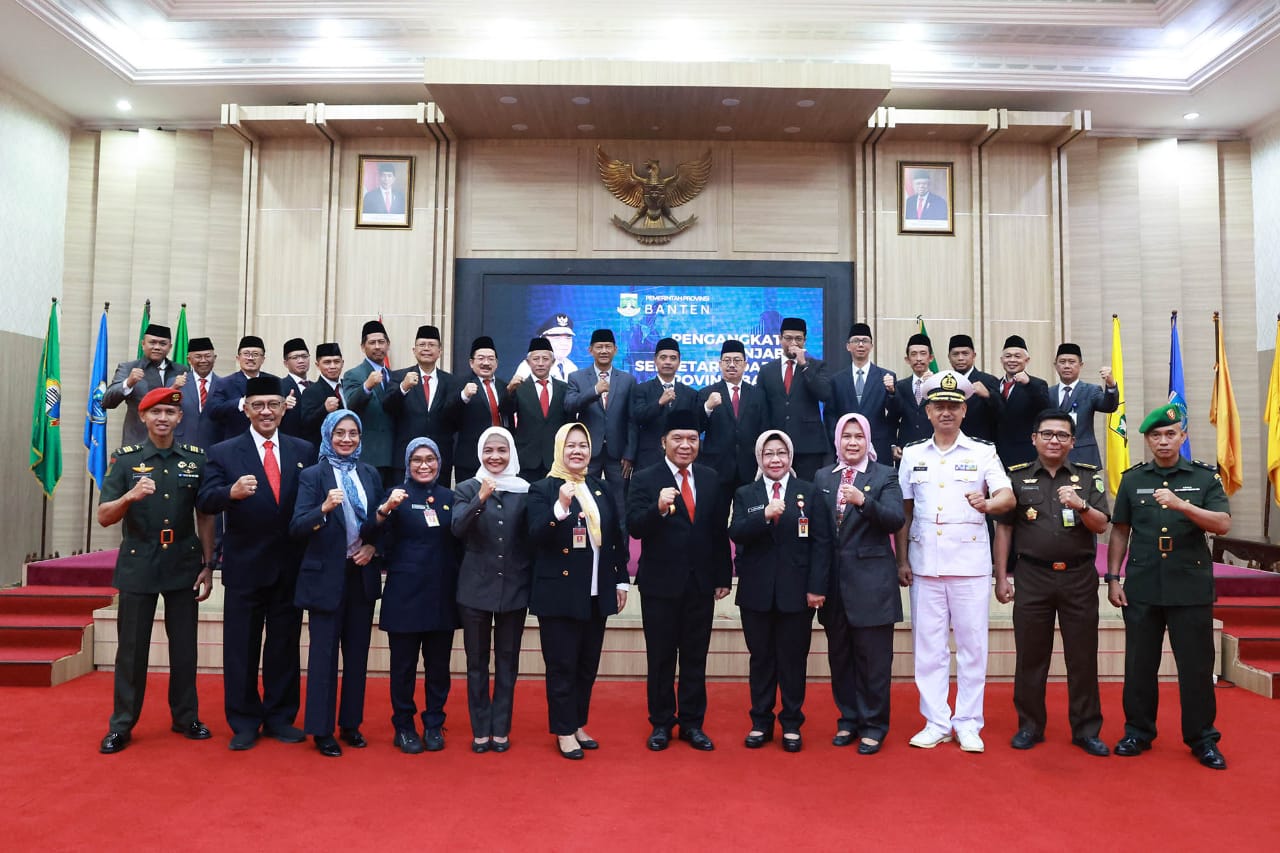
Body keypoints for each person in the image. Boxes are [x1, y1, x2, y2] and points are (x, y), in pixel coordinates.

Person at [1106, 405, 1231, 770]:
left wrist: (1182, 505)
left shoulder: (1205, 477)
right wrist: (1113, 578)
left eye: (1170, 434)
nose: (1163, 441)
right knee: (1139, 665)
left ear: (1183, 437)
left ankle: (1203, 738)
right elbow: (1120, 531)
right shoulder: (1133, 479)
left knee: (1195, 667)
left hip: (1189, 586)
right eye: (1155, 436)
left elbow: (1222, 523)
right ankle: (1138, 732)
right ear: (1146, 440)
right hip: (1142, 585)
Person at [897, 371, 1014, 754]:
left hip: (969, 565)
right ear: (928, 411)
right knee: (928, 648)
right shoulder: (913, 454)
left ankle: (967, 722)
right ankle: (935, 721)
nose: (946, 412)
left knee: (972, 647)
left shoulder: (982, 452)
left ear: (964, 411)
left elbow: (1007, 498)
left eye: (953, 406)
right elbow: (904, 511)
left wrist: (988, 504)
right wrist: (902, 559)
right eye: (938, 406)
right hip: (926, 565)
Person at [197, 376, 316, 750]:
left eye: (273, 405)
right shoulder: (224, 451)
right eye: (258, 405)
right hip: (245, 566)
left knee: (284, 646)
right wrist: (229, 493)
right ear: (246, 409)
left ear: (284, 408)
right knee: (241, 648)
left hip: (289, 566)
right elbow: (205, 499)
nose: (266, 411)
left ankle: (280, 717)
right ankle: (244, 720)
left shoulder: (304, 450)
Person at [97, 387, 215, 754]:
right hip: (139, 560)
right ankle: (122, 724)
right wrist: (129, 496)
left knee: (185, 648)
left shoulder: (196, 460)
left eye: (170, 412)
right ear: (143, 417)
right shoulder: (126, 460)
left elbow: (205, 515)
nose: (163, 418)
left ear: (180, 419)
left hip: (183, 559)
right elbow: (103, 516)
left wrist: (209, 565)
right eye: (156, 412)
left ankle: (185, 716)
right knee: (132, 649)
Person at [994, 410, 1110, 757]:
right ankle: (1030, 725)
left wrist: (1081, 504)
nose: (1054, 440)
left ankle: (1086, 730)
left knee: (1083, 656)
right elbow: (1005, 529)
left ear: (1073, 442)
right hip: (1032, 575)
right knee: (1031, 655)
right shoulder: (1016, 478)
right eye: (1047, 434)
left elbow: (1102, 525)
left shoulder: (1088, 478)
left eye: (1062, 435)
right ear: (1034, 439)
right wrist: (1001, 577)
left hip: (1078, 576)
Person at [627, 410, 731, 752]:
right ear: (663, 442)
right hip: (659, 584)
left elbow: (718, 531)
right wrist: (657, 508)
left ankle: (691, 723)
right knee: (660, 657)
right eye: (678, 439)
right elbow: (634, 527)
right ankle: (660, 724)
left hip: (700, 583)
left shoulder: (711, 477)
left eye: (692, 439)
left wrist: (722, 575)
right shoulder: (645, 478)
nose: (685, 445)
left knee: (694, 657)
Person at [526, 423, 629, 759]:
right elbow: (535, 536)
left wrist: (620, 579)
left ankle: (577, 722)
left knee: (587, 664)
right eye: (570, 445)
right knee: (562, 665)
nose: (577, 451)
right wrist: (560, 508)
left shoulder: (599, 487)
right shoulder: (543, 488)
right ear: (559, 449)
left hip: (597, 591)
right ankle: (563, 730)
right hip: (559, 592)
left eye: (583, 445)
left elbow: (614, 536)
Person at [729, 430, 832, 753]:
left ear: (790, 458)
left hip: (797, 593)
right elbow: (737, 533)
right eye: (769, 454)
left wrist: (817, 587)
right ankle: (760, 722)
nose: (776, 460)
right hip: (756, 593)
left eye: (781, 453)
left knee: (792, 660)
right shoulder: (747, 493)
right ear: (760, 458)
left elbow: (822, 543)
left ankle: (791, 723)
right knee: (761, 659)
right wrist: (764, 515)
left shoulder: (809, 493)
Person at [290, 410, 384, 758]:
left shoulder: (370, 473)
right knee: (323, 656)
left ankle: (351, 724)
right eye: (340, 433)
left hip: (361, 573)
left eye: (353, 433)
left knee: (357, 655)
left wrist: (374, 547)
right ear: (328, 435)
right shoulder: (314, 476)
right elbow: (297, 525)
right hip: (325, 576)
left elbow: (382, 521)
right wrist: (325, 508)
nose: (346, 439)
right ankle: (321, 729)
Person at [814, 413, 905, 755]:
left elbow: (895, 520)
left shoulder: (885, 475)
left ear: (868, 441)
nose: (852, 442)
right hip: (834, 589)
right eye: (846, 436)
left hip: (872, 586)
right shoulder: (824, 476)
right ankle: (848, 719)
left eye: (858, 436)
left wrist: (863, 501)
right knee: (841, 659)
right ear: (837, 440)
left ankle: (874, 725)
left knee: (874, 663)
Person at [370, 437, 462, 754]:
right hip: (404, 596)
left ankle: (434, 724)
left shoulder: (451, 497)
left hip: (442, 596)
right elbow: (372, 534)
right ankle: (405, 727)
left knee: (438, 668)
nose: (424, 465)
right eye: (417, 460)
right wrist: (385, 510)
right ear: (407, 464)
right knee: (403, 668)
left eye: (430, 459)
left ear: (439, 462)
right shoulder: (395, 497)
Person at [452, 427, 532, 753]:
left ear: (511, 452)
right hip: (475, 589)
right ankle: (480, 729)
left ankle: (501, 729)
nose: (495, 457)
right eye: (489, 451)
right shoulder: (466, 488)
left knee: (508, 662)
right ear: (480, 453)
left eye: (501, 450)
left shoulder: (526, 491)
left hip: (514, 587)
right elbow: (457, 528)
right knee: (476, 663)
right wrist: (480, 499)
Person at [565, 329, 636, 524]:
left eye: (608, 347)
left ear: (615, 350)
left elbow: (632, 419)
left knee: (620, 505)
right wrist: (595, 390)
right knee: (584, 500)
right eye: (599, 347)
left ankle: (622, 552)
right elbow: (569, 405)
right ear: (590, 350)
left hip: (618, 455)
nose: (603, 351)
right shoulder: (576, 377)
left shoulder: (627, 380)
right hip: (587, 452)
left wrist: (629, 454)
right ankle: (586, 550)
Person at [757, 317, 833, 480]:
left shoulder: (817, 366)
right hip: (776, 446)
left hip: (808, 445)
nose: (793, 343)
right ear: (780, 339)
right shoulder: (766, 371)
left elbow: (824, 394)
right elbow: (761, 410)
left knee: (807, 495)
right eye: (788, 338)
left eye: (798, 339)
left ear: (805, 341)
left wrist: (804, 365)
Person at [383, 325, 460, 483]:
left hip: (438, 460)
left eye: (431, 345)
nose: (426, 349)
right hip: (406, 459)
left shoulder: (451, 381)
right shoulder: (398, 377)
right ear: (414, 350)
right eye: (422, 345)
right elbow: (388, 408)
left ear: (440, 351)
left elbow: (455, 419)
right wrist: (403, 388)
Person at [698, 339, 767, 505]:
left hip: (750, 467)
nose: (732, 365)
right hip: (717, 468)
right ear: (720, 364)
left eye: (737, 360)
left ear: (745, 365)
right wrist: (707, 407)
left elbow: (765, 429)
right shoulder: (706, 393)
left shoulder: (758, 395)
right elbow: (697, 428)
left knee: (750, 518)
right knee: (717, 521)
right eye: (727, 360)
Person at [103, 323, 189, 446]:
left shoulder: (181, 371)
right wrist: (128, 382)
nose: (157, 347)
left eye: (162, 344)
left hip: (173, 444)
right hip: (138, 443)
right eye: (152, 342)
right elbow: (107, 401)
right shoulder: (128, 368)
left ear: (170, 347)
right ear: (143, 344)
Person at [829, 322, 896, 465]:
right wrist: (837, 441)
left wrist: (891, 393)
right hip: (847, 446)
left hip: (878, 445)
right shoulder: (836, 380)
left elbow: (894, 414)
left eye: (865, 341)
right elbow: (830, 414)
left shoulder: (887, 376)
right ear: (848, 346)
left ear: (871, 346)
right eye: (856, 341)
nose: (860, 345)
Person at [630, 337, 700, 470]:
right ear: (655, 360)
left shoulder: (690, 394)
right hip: (649, 459)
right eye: (663, 357)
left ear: (679, 362)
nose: (668, 362)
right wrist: (659, 403)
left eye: (673, 358)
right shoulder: (641, 389)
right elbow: (637, 417)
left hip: (681, 460)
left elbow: (696, 427)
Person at [341, 320, 396, 485]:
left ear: (388, 345)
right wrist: (367, 386)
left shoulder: (396, 376)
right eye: (372, 343)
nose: (377, 347)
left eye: (381, 342)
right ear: (363, 347)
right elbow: (350, 405)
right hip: (370, 455)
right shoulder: (354, 374)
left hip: (395, 456)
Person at [506, 337, 568, 481]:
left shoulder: (564, 388)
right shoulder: (518, 387)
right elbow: (505, 412)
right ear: (528, 362)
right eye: (536, 359)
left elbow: (568, 422)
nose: (540, 363)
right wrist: (509, 391)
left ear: (552, 362)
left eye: (545, 359)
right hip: (527, 459)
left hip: (556, 460)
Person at [206, 335, 285, 445]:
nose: (250, 358)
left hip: (268, 443)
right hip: (236, 443)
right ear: (238, 358)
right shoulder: (225, 383)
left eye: (255, 354)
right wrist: (241, 402)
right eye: (246, 354)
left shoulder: (275, 381)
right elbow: (213, 411)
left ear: (263, 359)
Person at [1050, 343, 1119, 468]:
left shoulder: (1091, 391)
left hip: (1083, 457)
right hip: (1053, 458)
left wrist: (1111, 385)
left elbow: (1109, 406)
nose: (1066, 366)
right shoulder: (1048, 392)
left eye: (1071, 362)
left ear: (1081, 365)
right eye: (1062, 362)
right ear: (1055, 365)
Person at [455, 335, 511, 481]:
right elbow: (448, 417)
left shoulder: (504, 386)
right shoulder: (459, 384)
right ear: (471, 363)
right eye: (481, 358)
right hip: (470, 460)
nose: (486, 363)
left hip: (499, 459)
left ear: (497, 363)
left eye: (490, 359)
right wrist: (464, 396)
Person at [994, 335, 1052, 468]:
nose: (1012, 360)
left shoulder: (1037, 384)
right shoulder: (994, 385)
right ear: (1002, 360)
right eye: (1008, 356)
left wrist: (1028, 384)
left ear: (1027, 360)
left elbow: (1046, 410)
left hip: (1025, 455)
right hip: (996, 455)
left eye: (1017, 356)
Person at [946, 334, 1002, 443]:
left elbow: (1003, 414)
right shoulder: (944, 382)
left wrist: (988, 396)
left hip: (980, 445)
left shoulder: (988, 380)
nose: (960, 358)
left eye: (965, 353)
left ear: (974, 355)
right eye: (955, 354)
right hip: (950, 444)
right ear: (949, 357)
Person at [886, 333, 934, 457]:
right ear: (907, 359)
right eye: (913, 354)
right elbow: (892, 419)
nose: (918, 358)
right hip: (906, 451)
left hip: (933, 450)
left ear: (931, 358)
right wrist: (892, 444)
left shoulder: (939, 385)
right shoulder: (900, 387)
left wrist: (934, 386)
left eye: (923, 353)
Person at [299, 342, 345, 449]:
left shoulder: (347, 386)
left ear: (342, 363)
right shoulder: (311, 391)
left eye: (336, 362)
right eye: (327, 362)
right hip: (325, 450)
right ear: (317, 365)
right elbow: (306, 424)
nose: (332, 366)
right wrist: (324, 409)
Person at [179, 335, 219, 449]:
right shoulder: (176, 383)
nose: (203, 360)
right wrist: (173, 387)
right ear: (189, 359)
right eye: (198, 356)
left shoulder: (224, 384)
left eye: (207, 356)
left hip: (214, 445)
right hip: (182, 444)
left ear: (214, 358)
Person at [515, 313, 578, 382]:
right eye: (556, 338)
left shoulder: (572, 367)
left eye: (568, 338)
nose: (564, 343)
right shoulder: (528, 368)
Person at [277, 337, 312, 439]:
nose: (301, 361)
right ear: (286, 363)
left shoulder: (315, 386)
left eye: (304, 356)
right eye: (295, 357)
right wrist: (281, 405)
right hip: (289, 443)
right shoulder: (279, 386)